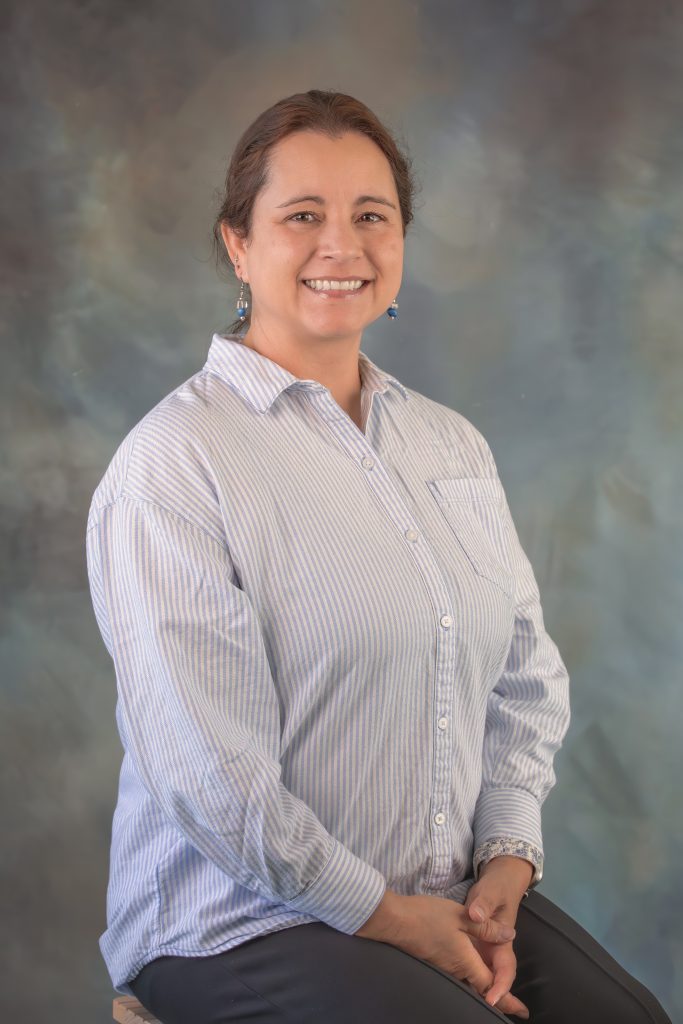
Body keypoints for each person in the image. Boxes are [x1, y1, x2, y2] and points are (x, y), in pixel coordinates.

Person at [85, 89, 671, 1024]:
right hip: (238, 922)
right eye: (302, 216)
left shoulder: (450, 447)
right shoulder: (176, 465)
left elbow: (524, 678)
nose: (341, 246)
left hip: (443, 894)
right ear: (238, 244)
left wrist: (507, 863)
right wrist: (386, 917)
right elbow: (211, 777)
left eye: (371, 216)